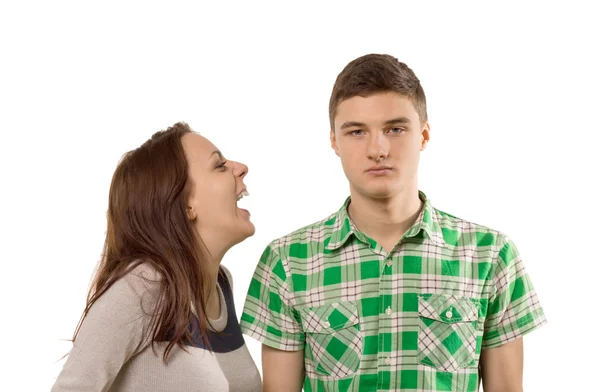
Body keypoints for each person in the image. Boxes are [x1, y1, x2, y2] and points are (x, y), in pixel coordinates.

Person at [240, 54, 546, 392]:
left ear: (424, 135)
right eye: (357, 132)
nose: (378, 149)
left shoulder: (490, 256)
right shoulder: (288, 261)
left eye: (395, 129)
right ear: (334, 142)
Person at [52, 122, 261, 391]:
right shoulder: (142, 286)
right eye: (219, 166)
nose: (240, 167)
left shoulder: (221, 284)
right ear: (186, 204)